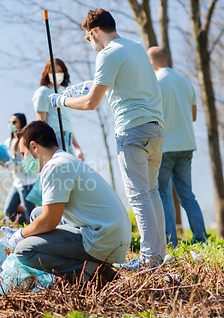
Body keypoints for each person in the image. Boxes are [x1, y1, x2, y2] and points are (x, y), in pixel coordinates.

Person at [49, 9, 165, 270]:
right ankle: (158, 256)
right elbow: (124, 82)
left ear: (94, 33)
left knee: (138, 195)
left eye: (88, 39)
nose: (90, 44)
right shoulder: (135, 46)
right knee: (152, 192)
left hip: (132, 130)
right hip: (155, 128)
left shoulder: (107, 53)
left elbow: (91, 103)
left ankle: (148, 260)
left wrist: (62, 101)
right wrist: (91, 82)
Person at [0, 121, 131, 285]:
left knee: (24, 250)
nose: (24, 160)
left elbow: (49, 221)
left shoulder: (55, 166)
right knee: (36, 214)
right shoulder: (64, 159)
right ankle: (91, 265)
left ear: (34, 147)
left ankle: (92, 274)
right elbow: (45, 216)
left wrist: (20, 235)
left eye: (23, 154)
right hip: (110, 232)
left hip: (104, 239)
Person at [147, 47, 208, 248]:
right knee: (187, 194)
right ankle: (201, 239)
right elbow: (193, 116)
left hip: (165, 146)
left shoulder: (155, 82)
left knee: (162, 194)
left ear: (152, 61)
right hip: (186, 145)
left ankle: (171, 242)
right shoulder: (185, 81)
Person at [33, 59, 85, 160]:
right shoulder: (43, 93)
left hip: (67, 138)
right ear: (47, 73)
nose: (56, 74)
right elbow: (42, 123)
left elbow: (67, 124)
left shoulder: (65, 94)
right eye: (53, 71)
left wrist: (77, 147)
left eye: (59, 71)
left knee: (71, 172)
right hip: (55, 138)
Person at [2, 113, 38, 225]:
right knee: (8, 211)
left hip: (28, 182)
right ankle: (23, 228)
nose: (11, 125)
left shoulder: (26, 140)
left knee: (30, 214)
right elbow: (8, 160)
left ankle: (34, 233)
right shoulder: (8, 142)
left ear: (21, 124)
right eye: (10, 122)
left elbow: (27, 160)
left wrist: (12, 165)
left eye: (14, 122)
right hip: (16, 182)